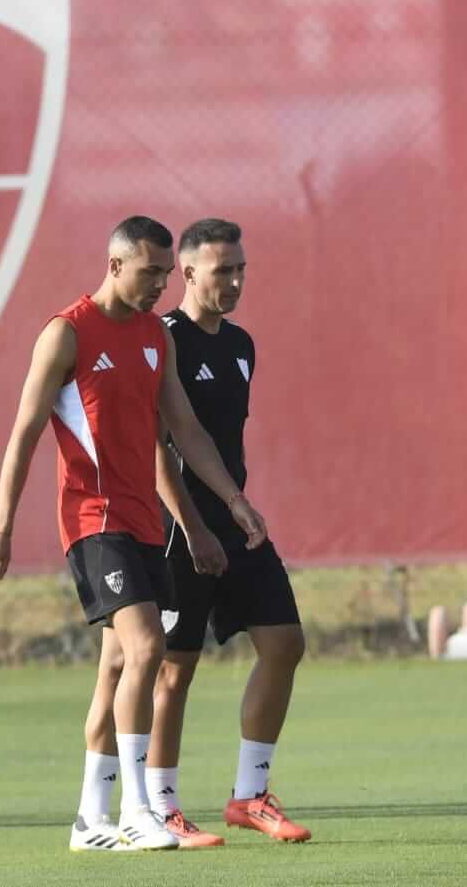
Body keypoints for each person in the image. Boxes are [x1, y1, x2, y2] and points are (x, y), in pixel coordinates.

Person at [0, 216, 267, 853]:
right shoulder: (67, 333)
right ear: (115, 265)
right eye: (150, 272)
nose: (161, 284)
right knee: (144, 650)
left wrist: (234, 501)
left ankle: (89, 818)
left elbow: (186, 429)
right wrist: (1, 525)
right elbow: (24, 435)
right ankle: (139, 810)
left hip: (143, 522)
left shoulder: (154, 338)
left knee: (114, 670)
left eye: (166, 274)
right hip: (93, 518)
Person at [150, 218, 310, 844]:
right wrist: (191, 526)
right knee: (173, 669)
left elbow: (222, 442)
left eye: (242, 268)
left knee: (285, 643)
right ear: (187, 274)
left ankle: (250, 795)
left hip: (234, 517)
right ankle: (161, 807)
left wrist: (237, 508)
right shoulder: (162, 339)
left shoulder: (241, 344)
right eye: (224, 271)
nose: (237, 281)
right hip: (177, 526)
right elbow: (158, 449)